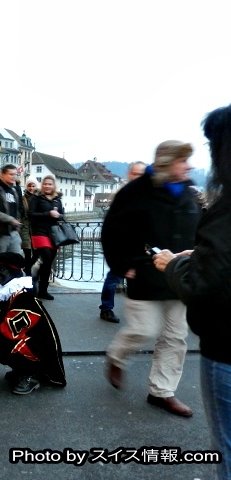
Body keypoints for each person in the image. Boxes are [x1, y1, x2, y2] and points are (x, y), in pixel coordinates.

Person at [152, 104, 231, 477]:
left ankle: (161, 390)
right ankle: (156, 387)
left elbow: (208, 284)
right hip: (150, 285)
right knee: (149, 333)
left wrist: (179, 263)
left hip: (225, 345)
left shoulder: (209, 200)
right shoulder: (143, 192)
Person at [102, 140, 200, 417]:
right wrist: (121, 265)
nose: (189, 166)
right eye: (183, 161)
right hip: (145, 273)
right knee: (145, 329)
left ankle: (162, 392)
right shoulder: (135, 192)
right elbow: (111, 231)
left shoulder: (190, 193)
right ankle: (117, 356)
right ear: (169, 163)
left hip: (179, 275)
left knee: (175, 337)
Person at [0, 252, 66, 395]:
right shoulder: (7, 291)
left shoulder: (24, 296)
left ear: (14, 271)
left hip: (38, 347)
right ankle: (21, 369)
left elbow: (10, 331)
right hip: (19, 337)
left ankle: (31, 374)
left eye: (2, 269)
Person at [99, 161, 146, 323]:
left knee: (139, 278)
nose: (139, 177)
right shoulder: (122, 194)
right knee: (114, 277)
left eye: (142, 174)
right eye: (136, 174)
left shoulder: (147, 194)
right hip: (123, 245)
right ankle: (106, 309)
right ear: (129, 174)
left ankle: (139, 313)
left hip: (140, 246)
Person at [29, 174, 64, 300]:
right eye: (45, 184)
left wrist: (58, 215)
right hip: (39, 231)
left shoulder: (57, 200)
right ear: (42, 185)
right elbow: (31, 214)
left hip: (53, 234)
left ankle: (41, 288)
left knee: (48, 262)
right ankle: (33, 282)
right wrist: (48, 213)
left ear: (54, 186)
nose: (47, 186)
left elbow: (62, 215)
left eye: (50, 184)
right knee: (47, 257)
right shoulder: (37, 198)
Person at [0, 164, 25, 255]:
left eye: (15, 174)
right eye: (11, 174)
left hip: (13, 233)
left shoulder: (13, 190)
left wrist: (17, 227)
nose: (14, 177)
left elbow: (18, 210)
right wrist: (10, 220)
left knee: (16, 262)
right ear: (2, 175)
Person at [19, 179, 38, 269]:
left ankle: (27, 268)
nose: (31, 188)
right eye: (29, 186)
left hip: (36, 228)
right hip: (25, 228)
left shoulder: (39, 198)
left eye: (33, 186)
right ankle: (28, 275)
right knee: (27, 251)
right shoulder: (23, 199)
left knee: (37, 252)